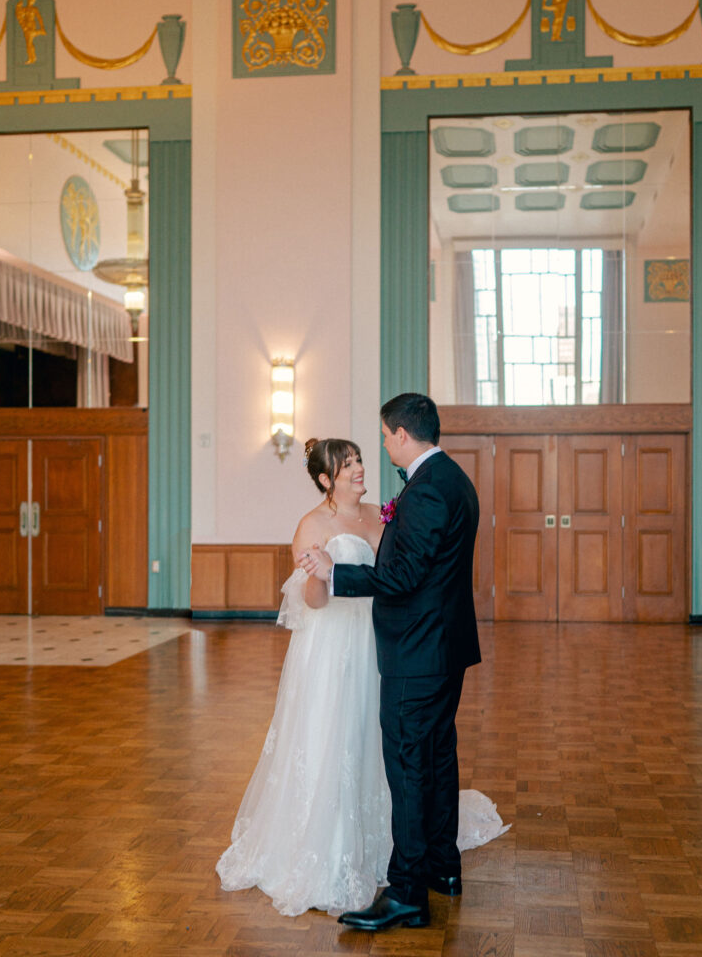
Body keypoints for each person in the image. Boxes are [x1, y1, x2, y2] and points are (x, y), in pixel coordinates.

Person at [216, 434, 506, 918]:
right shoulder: (312, 523)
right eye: (347, 465)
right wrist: (316, 573)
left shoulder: (381, 513)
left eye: (358, 460)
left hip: (383, 641)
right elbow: (312, 602)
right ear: (326, 480)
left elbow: (400, 573)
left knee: (388, 742)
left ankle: (402, 847)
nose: (358, 469)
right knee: (340, 739)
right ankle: (337, 844)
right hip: (333, 650)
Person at [301, 394, 483, 931]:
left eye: (384, 437)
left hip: (417, 653)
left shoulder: (426, 491)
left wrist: (338, 575)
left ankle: (406, 892)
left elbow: (403, 577)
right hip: (443, 647)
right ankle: (441, 869)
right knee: (437, 757)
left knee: (407, 765)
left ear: (403, 435)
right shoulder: (453, 480)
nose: (381, 447)